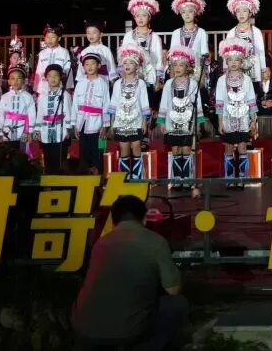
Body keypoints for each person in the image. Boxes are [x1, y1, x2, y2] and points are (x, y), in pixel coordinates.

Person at [72, 195, 188, 351]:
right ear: (144, 219)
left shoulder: (100, 243)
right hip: (128, 332)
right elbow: (173, 290)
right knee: (175, 304)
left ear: (113, 222)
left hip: (85, 330)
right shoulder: (156, 242)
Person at [157, 46, 205, 182]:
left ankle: (187, 178)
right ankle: (177, 179)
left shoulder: (193, 84)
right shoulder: (168, 84)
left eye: (181, 65)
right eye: (175, 65)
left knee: (186, 149)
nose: (177, 68)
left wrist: (199, 123)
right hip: (172, 123)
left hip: (188, 123)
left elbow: (198, 104)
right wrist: (161, 121)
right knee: (175, 149)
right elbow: (164, 103)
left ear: (187, 67)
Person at [216, 37, 259, 183]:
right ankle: (229, 178)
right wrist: (220, 123)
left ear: (241, 62)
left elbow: (251, 101)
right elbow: (219, 103)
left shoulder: (247, 80)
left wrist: (253, 121)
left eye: (236, 60)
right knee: (228, 148)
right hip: (228, 119)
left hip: (243, 119)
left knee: (242, 147)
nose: (233, 63)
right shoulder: (221, 80)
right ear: (226, 61)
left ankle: (242, 177)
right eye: (230, 60)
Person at [109, 44, 152, 179]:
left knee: (136, 147)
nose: (127, 65)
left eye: (131, 63)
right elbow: (114, 103)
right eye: (125, 63)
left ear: (137, 66)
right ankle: (125, 178)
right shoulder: (117, 84)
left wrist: (144, 122)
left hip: (136, 120)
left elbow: (144, 103)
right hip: (121, 121)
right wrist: (112, 122)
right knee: (124, 150)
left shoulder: (141, 84)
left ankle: (137, 178)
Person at [73, 52, 111, 172]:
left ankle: (98, 178)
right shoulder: (80, 83)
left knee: (97, 154)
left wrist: (105, 125)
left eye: (93, 64)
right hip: (82, 123)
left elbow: (106, 104)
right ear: (83, 67)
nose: (89, 67)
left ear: (99, 65)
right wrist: (75, 124)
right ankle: (85, 179)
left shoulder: (103, 83)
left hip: (97, 124)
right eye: (87, 64)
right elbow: (75, 104)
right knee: (84, 154)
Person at [35, 64, 73, 174]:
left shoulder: (65, 95)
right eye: (50, 76)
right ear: (46, 78)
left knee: (60, 160)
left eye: (56, 75)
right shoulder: (42, 96)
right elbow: (40, 114)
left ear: (60, 77)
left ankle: (60, 181)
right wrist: (37, 130)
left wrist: (68, 129)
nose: (53, 78)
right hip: (46, 131)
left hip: (60, 131)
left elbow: (68, 113)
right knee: (48, 159)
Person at [169, 0, 209, 81]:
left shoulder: (201, 32)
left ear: (195, 13)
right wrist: (172, 73)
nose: (187, 14)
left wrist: (201, 76)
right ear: (180, 14)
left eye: (190, 11)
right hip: (179, 71)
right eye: (183, 12)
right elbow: (172, 56)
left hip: (196, 72)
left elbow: (204, 55)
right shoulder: (176, 33)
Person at [75, 21, 117, 86]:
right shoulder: (84, 51)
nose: (91, 35)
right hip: (88, 80)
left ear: (101, 34)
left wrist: (112, 80)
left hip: (103, 80)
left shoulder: (106, 50)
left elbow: (111, 67)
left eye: (94, 32)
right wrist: (79, 81)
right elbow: (81, 69)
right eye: (88, 33)